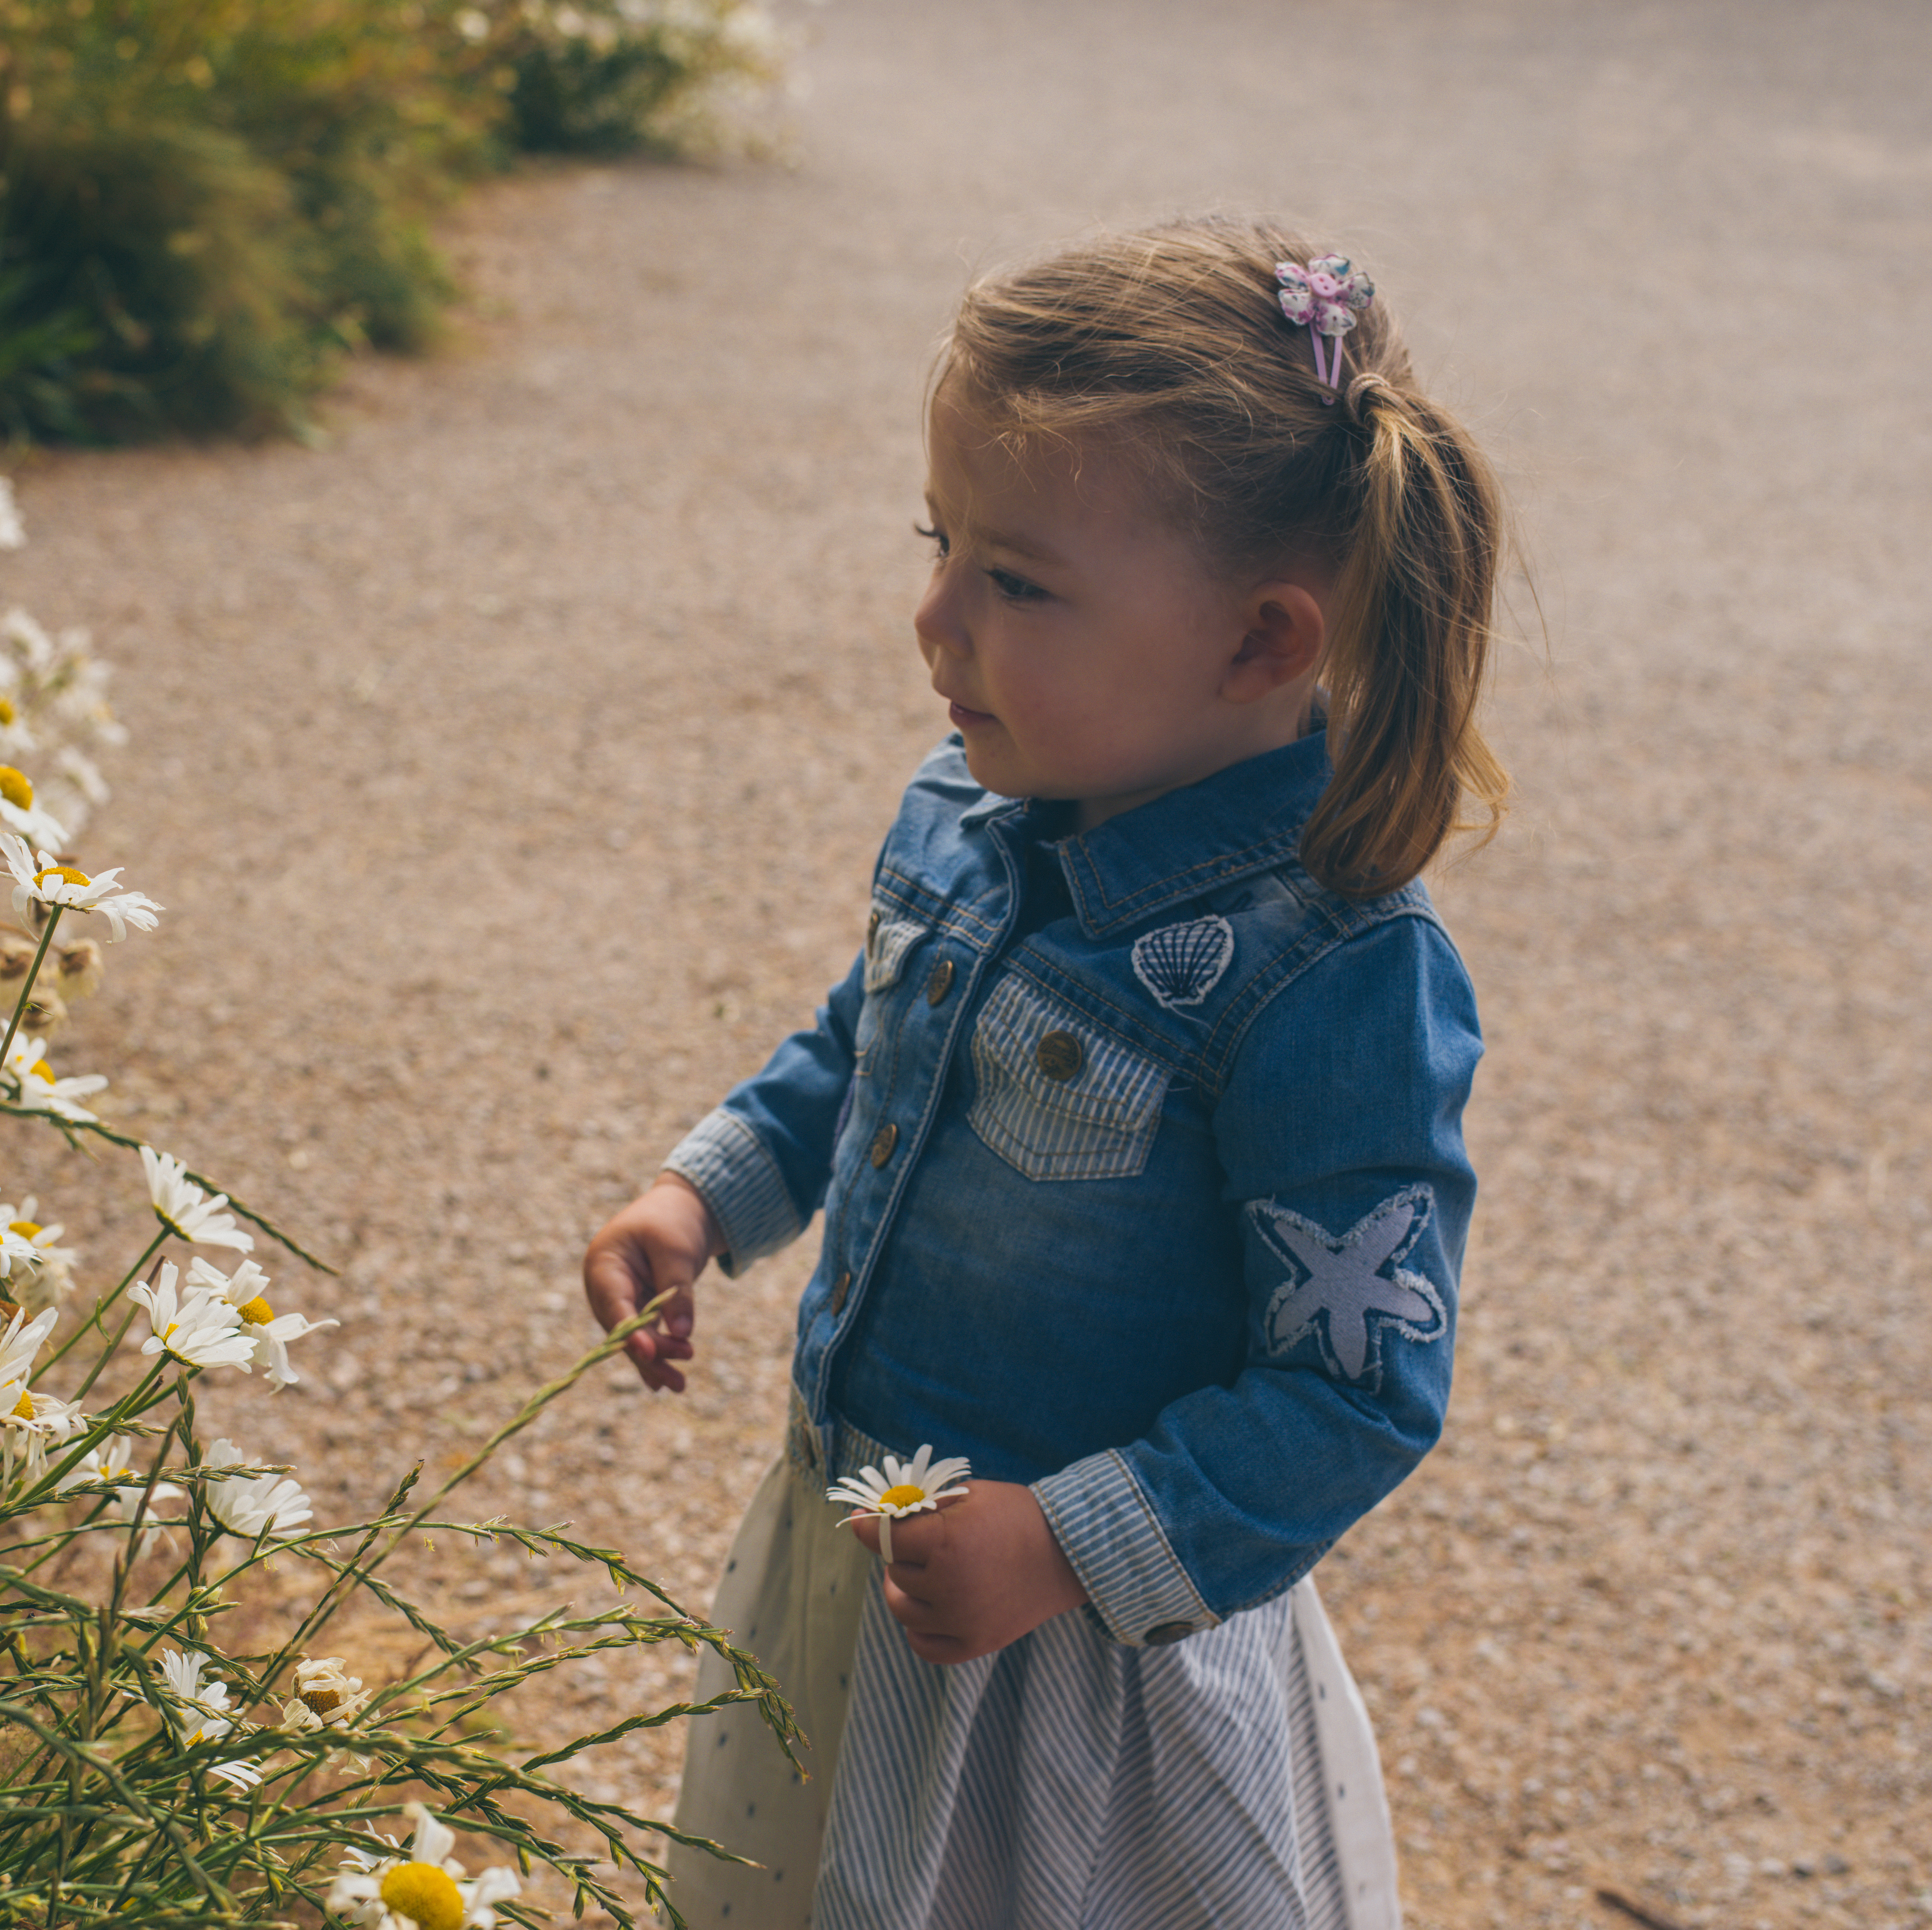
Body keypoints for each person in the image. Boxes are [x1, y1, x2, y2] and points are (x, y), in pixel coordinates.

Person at [582, 218, 1505, 1930]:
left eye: (1018, 581)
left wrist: (1065, 1546)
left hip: (1080, 1667)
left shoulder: (1335, 976)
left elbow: (1356, 1389)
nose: (932, 619)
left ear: (1258, 644)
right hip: (873, 1548)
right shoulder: (969, 804)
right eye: (942, 544)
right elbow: (878, 1039)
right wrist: (707, 1192)